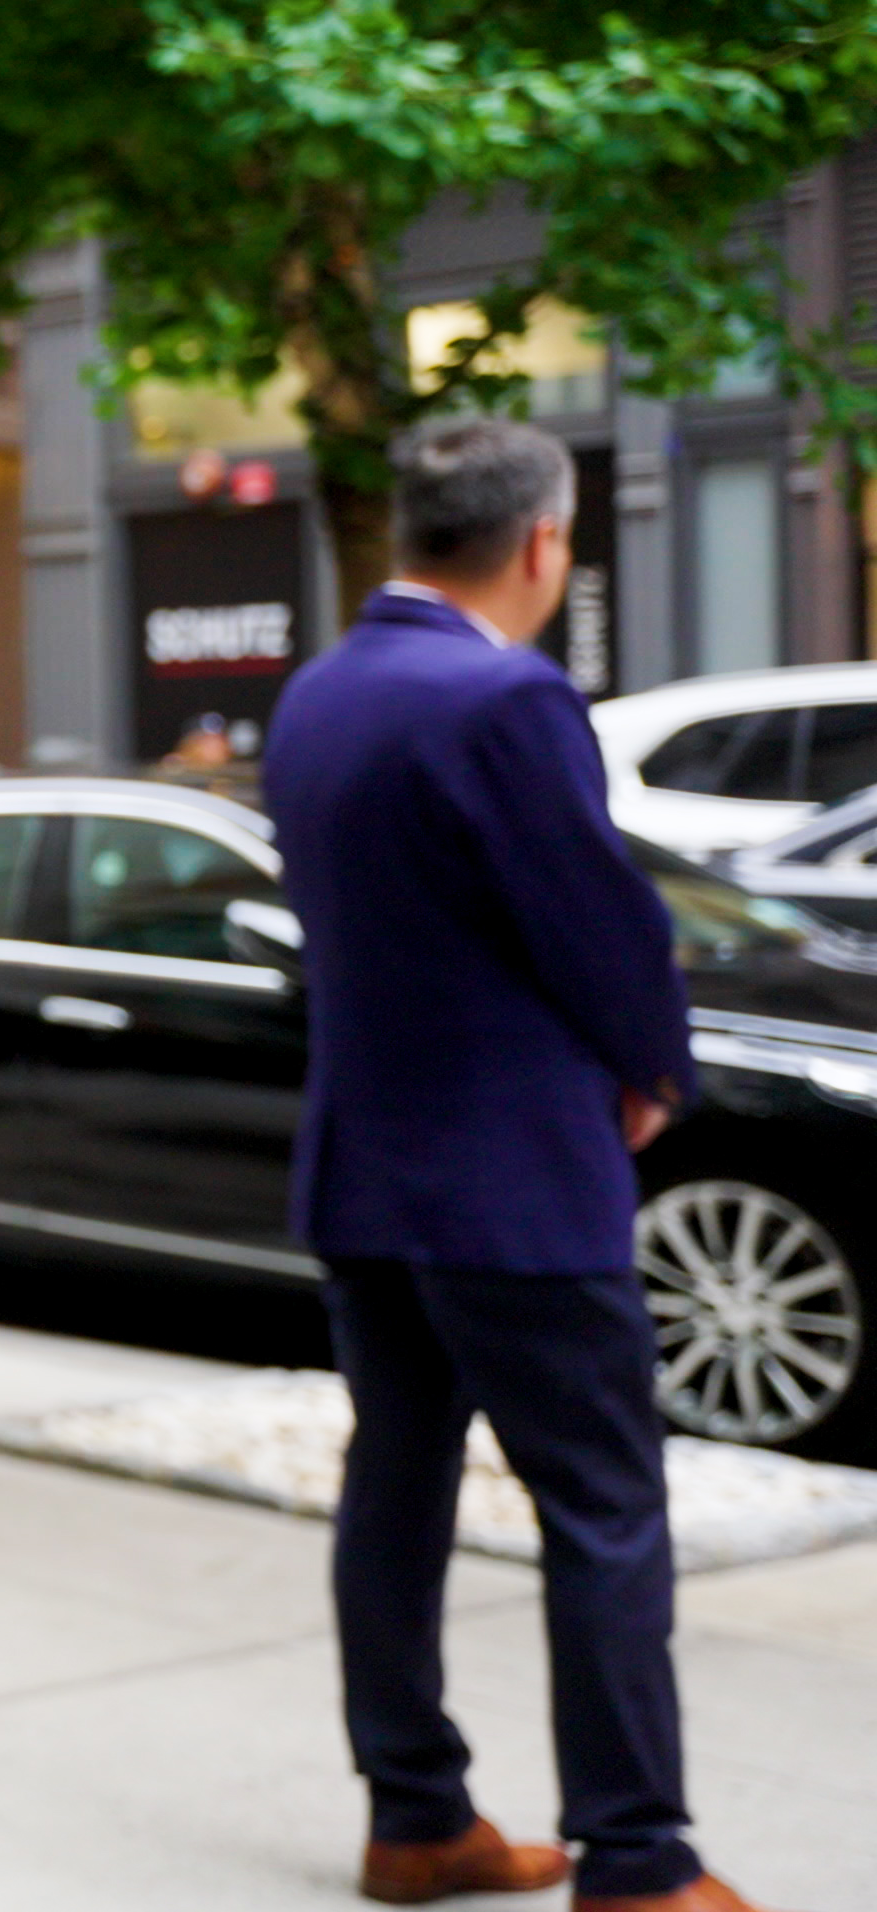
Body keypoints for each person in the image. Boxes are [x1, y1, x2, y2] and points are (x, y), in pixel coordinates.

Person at [262, 420, 762, 1912]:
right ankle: (638, 1857)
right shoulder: (508, 697)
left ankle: (416, 1818)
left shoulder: (315, 696)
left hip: (366, 1166)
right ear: (544, 542)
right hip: (516, 1184)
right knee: (605, 1509)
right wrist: (654, 1068)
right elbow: (601, 922)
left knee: (395, 1497)